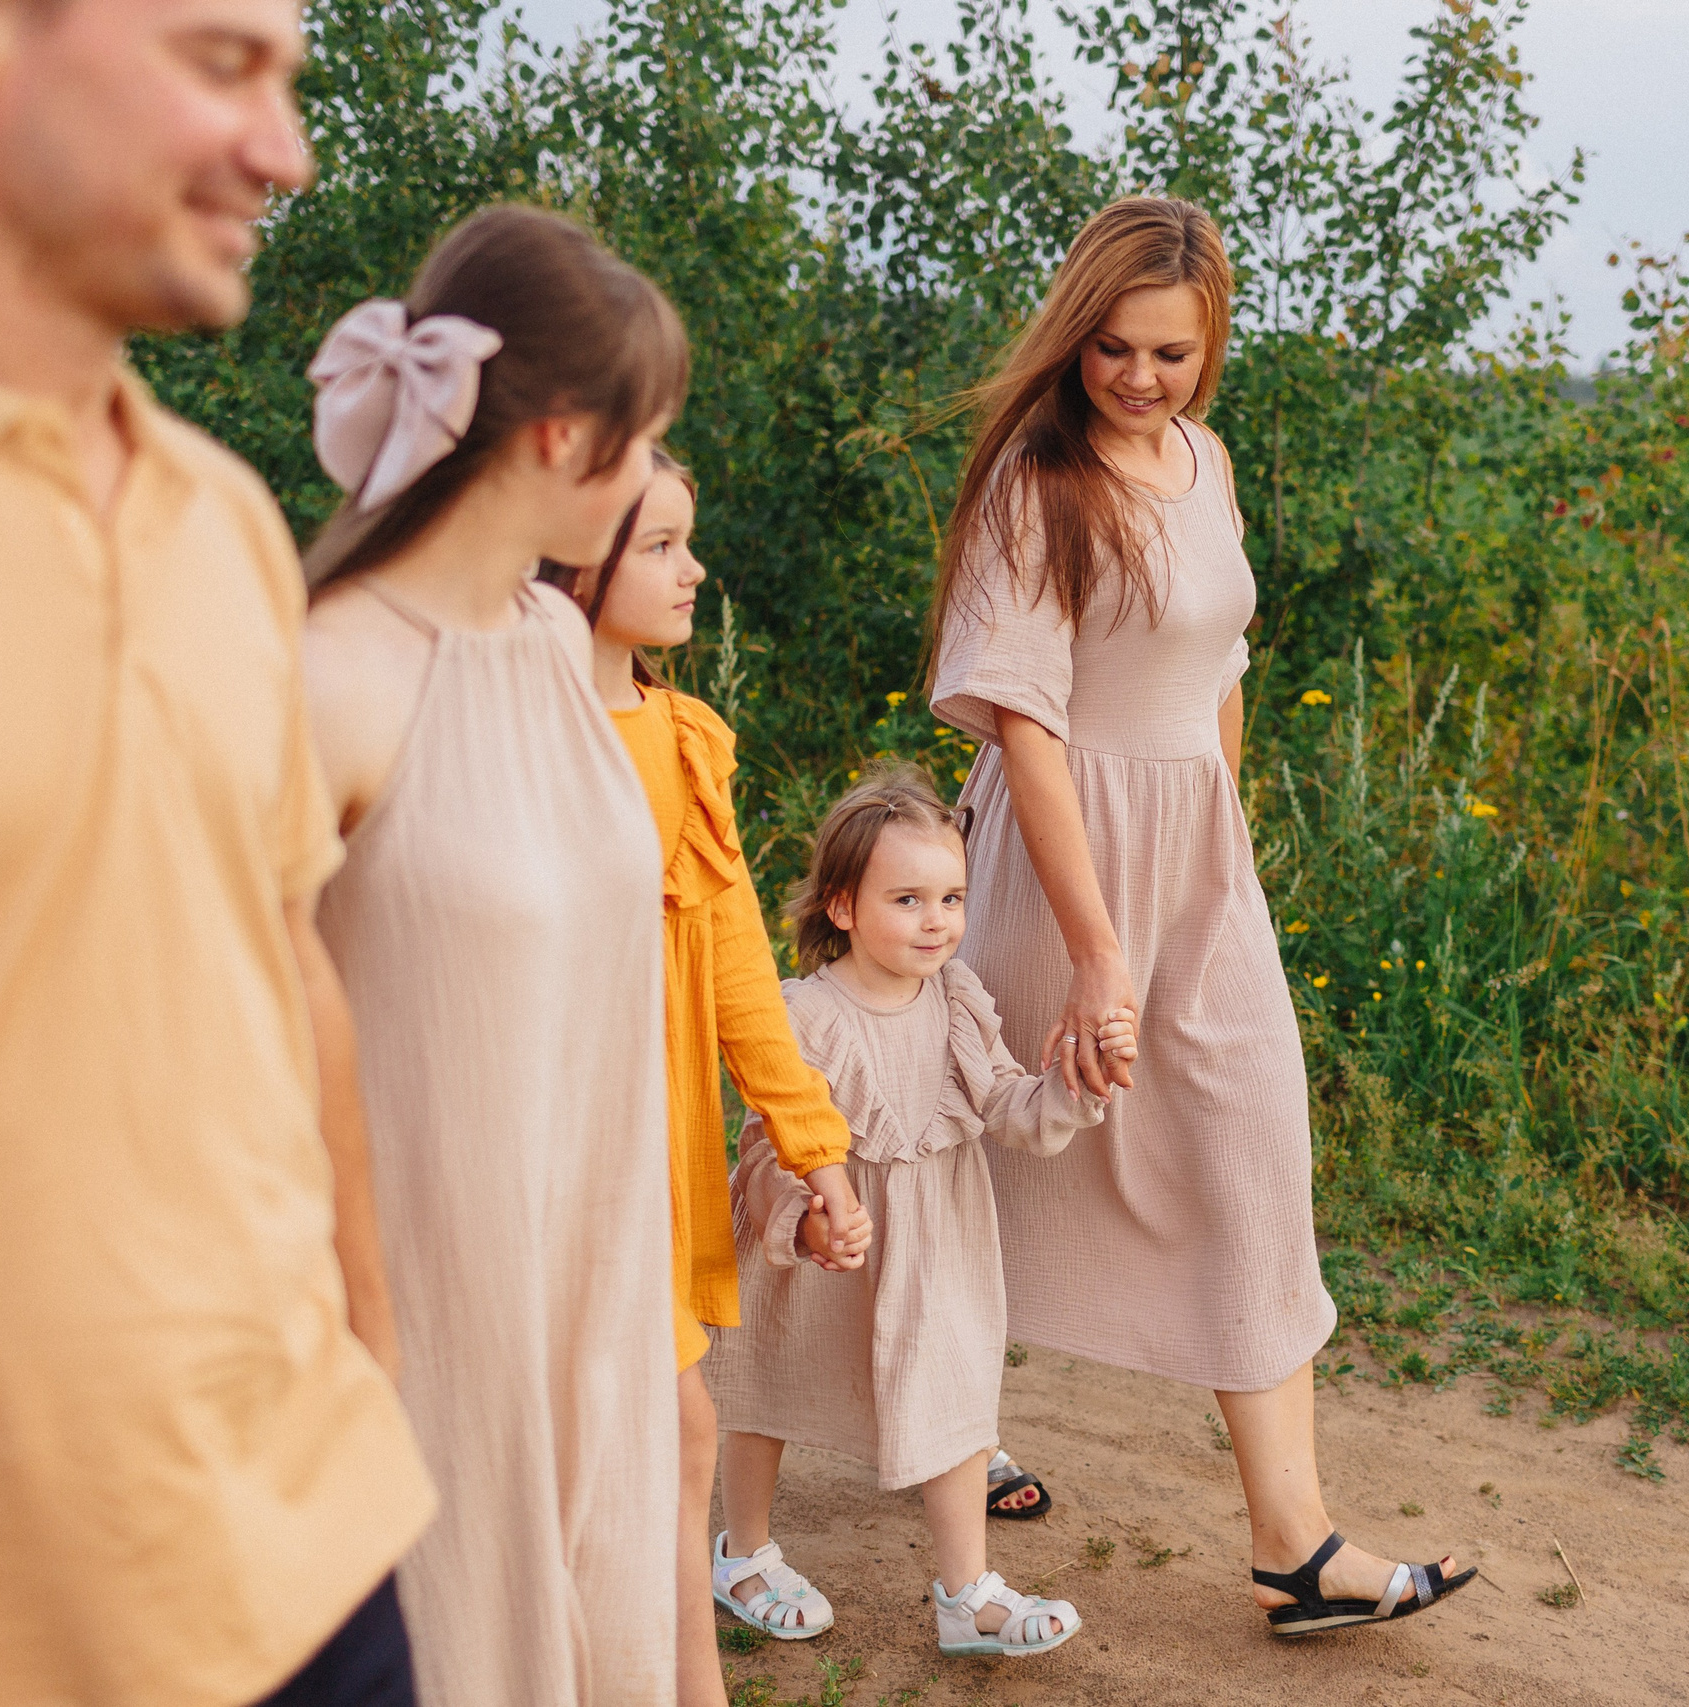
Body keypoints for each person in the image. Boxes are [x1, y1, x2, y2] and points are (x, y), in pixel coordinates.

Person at [0, 0, 437, 1700]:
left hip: (314, 1577)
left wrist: (375, 1387)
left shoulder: (217, 514)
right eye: (223, 64)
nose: (281, 150)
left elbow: (285, 973)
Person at [927, 195, 1474, 1636]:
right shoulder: (1035, 484)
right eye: (1110, 348)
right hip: (1063, 854)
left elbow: (1225, 656)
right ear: (1073, 337)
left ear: (1212, 339)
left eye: (1169, 351)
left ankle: (1294, 1543)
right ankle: (939, 1424)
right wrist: (1096, 940)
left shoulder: (1203, 457)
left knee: (1250, 1145)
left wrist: (1224, 834)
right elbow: (1028, 724)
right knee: (987, 1148)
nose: (1138, 378)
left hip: (1197, 850)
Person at [299, 205, 688, 1707]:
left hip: (590, 1252)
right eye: (644, 437)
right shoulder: (335, 671)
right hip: (426, 1293)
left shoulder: (550, 645)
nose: (654, 475)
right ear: (556, 436)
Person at [543, 450, 872, 1707]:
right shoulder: (501, 726)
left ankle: (687, 1687)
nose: (695, 570)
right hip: (540, 1138)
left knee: (676, 1429)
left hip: (652, 1142)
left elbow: (737, 971)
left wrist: (816, 1151)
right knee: (585, 1443)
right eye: (661, 547)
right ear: (570, 555)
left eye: (689, 540)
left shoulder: (685, 739)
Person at [706, 769, 1127, 1659]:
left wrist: (1075, 1083)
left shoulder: (957, 1000)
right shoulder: (804, 1014)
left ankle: (967, 1597)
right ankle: (742, 1552)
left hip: (940, 1242)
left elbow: (1013, 1107)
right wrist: (809, 1217)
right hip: (827, 1249)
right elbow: (760, 1145)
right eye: (908, 898)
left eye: (952, 897)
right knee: (767, 1386)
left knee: (956, 1394)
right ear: (843, 905)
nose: (937, 919)